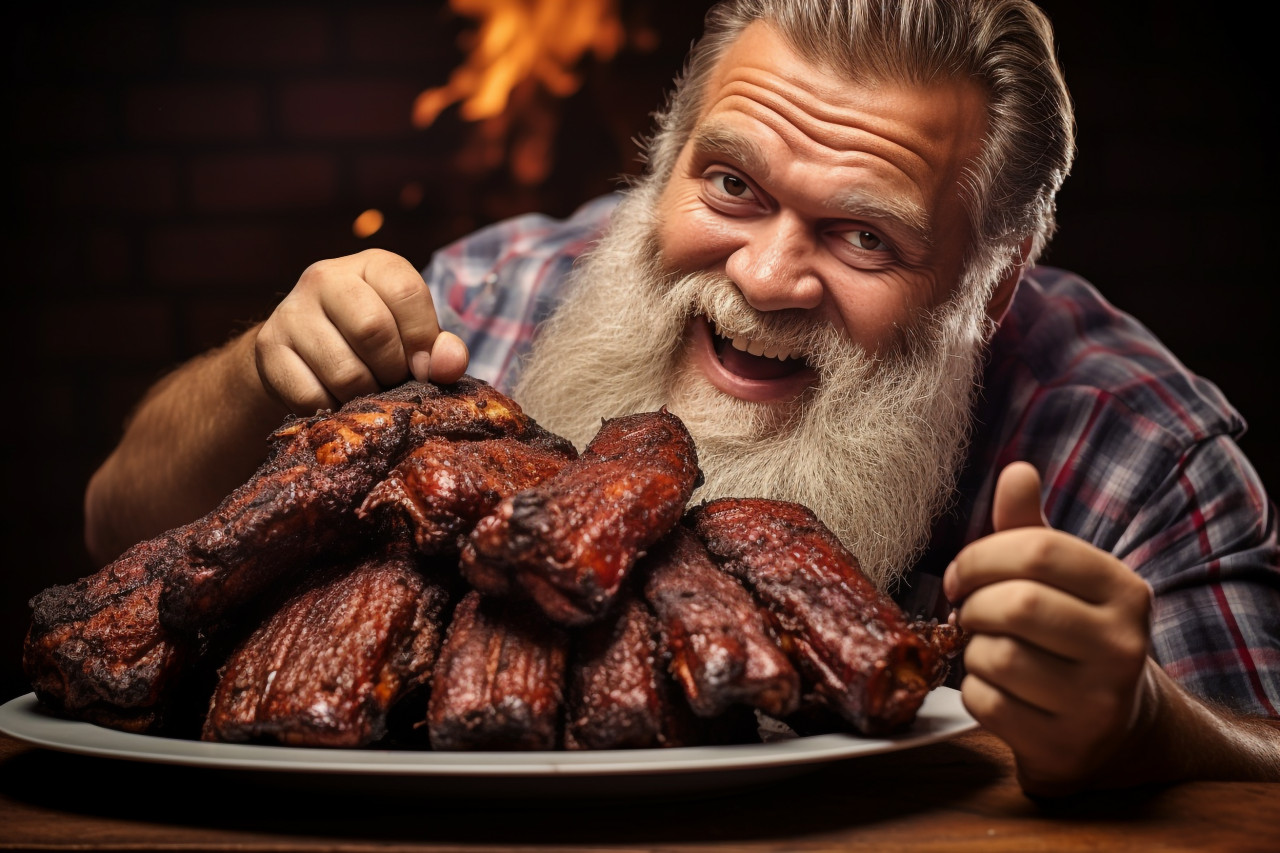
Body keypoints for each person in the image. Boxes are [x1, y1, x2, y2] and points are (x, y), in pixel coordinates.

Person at [83, 0, 1279, 795]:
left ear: (992, 277)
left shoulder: (1131, 439)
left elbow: (1259, 758)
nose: (763, 275)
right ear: (659, 159)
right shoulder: (485, 301)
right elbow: (116, 536)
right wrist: (260, 374)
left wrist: (1147, 724)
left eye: (861, 235)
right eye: (728, 183)